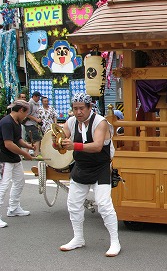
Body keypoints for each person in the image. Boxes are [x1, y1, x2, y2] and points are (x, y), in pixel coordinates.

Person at [58, 93, 120, 257]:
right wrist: (57, 142)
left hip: (100, 167)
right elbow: (61, 139)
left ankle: (115, 241)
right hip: (81, 167)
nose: (78, 112)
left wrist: (74, 145)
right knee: (73, 204)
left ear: (89, 107)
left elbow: (98, 146)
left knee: (104, 204)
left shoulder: (100, 122)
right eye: (75, 108)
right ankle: (78, 238)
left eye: (81, 108)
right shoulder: (71, 122)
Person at [0, 100, 34, 228]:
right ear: (21, 110)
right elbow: (8, 144)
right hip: (3, 158)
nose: (26, 116)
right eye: (26, 113)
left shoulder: (17, 122)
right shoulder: (6, 122)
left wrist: (27, 146)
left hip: (14, 157)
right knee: (3, 186)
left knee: (19, 181)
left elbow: (18, 139)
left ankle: (13, 208)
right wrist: (25, 154)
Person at [25, 91, 43, 156]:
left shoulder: (36, 104)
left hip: (34, 123)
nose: (39, 99)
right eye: (38, 97)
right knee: (37, 139)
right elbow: (27, 114)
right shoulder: (30, 104)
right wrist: (36, 119)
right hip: (30, 123)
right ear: (34, 96)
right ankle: (37, 154)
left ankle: (25, 154)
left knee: (29, 140)